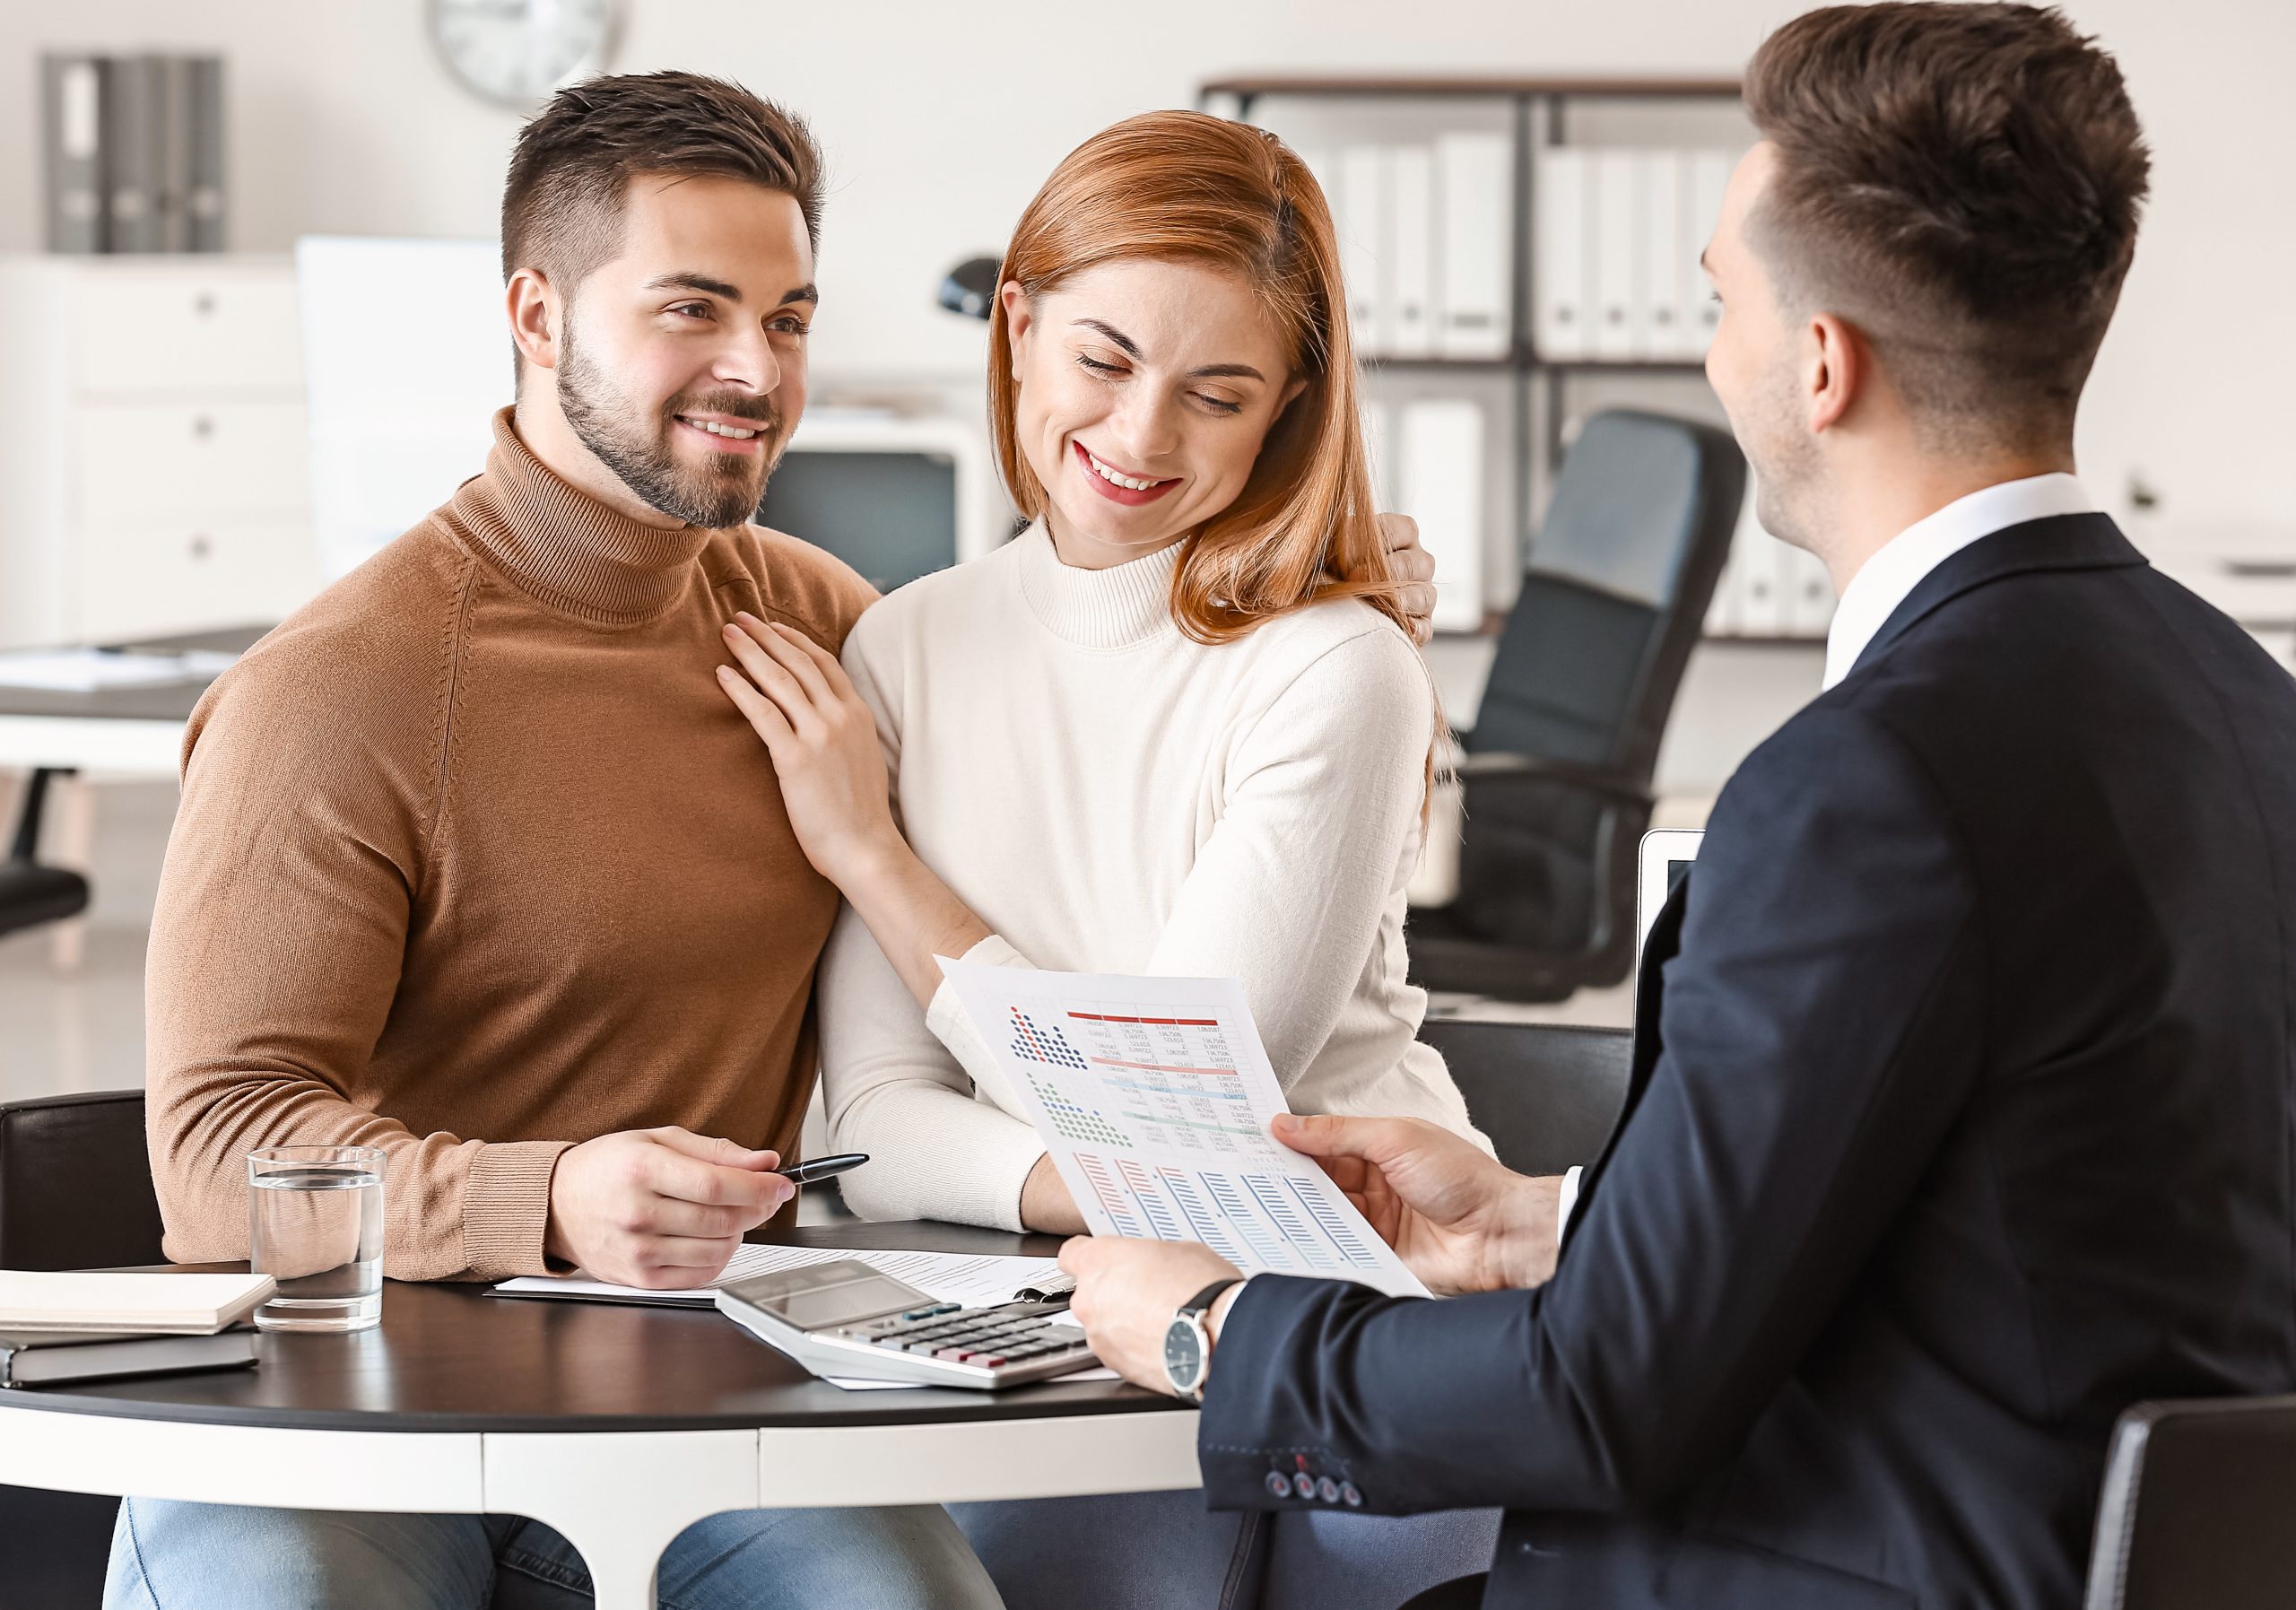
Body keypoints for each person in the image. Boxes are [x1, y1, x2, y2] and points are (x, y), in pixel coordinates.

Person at [120, 72, 1437, 1610]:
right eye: (691, 310)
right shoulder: (332, 692)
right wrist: (541, 1196)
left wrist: (1342, 593)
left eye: (791, 317)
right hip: (351, 1422)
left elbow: (1085, 668)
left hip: (700, 1408)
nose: (755, 369)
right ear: (536, 317)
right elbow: (216, 1156)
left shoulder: (822, 630)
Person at [1057, 7, 2296, 1609]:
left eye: (1722, 302)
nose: (1714, 354)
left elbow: (1602, 1404)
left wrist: (1211, 1329)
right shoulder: (2239, 699)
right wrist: (1548, 1223)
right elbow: (2019, 1213)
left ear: (1822, 364)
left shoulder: (1872, 783)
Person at [712, 112, 1495, 1609]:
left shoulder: (1335, 666)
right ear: (1017, 324)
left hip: (1353, 1320)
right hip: (1055, 1317)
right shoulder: (905, 648)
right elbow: (876, 1132)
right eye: (1105, 360)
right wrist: (1124, 1198)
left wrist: (868, 853)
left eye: (1218, 393)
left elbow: (1183, 1093)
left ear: (1287, 411)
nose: (1140, 439)